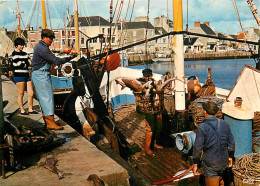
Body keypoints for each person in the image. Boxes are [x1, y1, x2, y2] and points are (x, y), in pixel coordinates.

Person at [32, 29, 76, 130]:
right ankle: (51, 123)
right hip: (41, 74)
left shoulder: (40, 47)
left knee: (43, 98)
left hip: (39, 74)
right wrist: (68, 58)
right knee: (48, 97)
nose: (52, 40)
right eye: (50, 38)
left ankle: (47, 120)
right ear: (44, 38)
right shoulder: (43, 49)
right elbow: (56, 61)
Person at [192, 101, 235, 186]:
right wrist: (230, 156)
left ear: (204, 111)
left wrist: (195, 163)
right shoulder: (224, 123)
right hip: (224, 161)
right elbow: (232, 143)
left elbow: (198, 148)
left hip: (211, 163)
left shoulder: (202, 127)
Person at [137, 68, 164, 155]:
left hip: (156, 107)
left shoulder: (155, 82)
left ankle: (154, 143)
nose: (147, 78)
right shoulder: (140, 83)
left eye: (148, 76)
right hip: (147, 108)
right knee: (150, 128)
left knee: (159, 125)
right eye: (145, 76)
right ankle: (147, 148)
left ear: (151, 75)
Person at [9, 37, 37, 115]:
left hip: (26, 75)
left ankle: (30, 109)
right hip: (19, 75)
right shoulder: (14, 54)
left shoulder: (25, 54)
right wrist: (25, 64)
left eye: (22, 45)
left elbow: (29, 63)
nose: (22, 46)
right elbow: (16, 64)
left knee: (31, 93)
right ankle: (22, 110)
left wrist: (24, 64)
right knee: (21, 93)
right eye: (20, 45)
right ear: (16, 45)